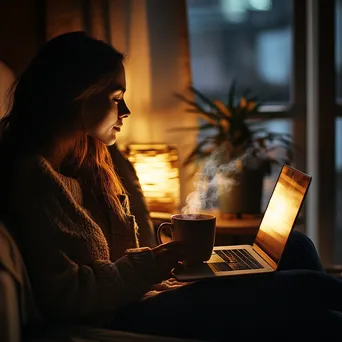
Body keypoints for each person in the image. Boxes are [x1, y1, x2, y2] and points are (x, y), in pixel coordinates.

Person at [0, 31, 341, 342]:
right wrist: (154, 263)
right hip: (123, 316)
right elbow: (66, 296)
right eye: (116, 97)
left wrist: (172, 264)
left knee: (295, 246)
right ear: (77, 96)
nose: (126, 110)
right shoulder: (34, 179)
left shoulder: (91, 160)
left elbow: (119, 257)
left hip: (147, 293)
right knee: (305, 289)